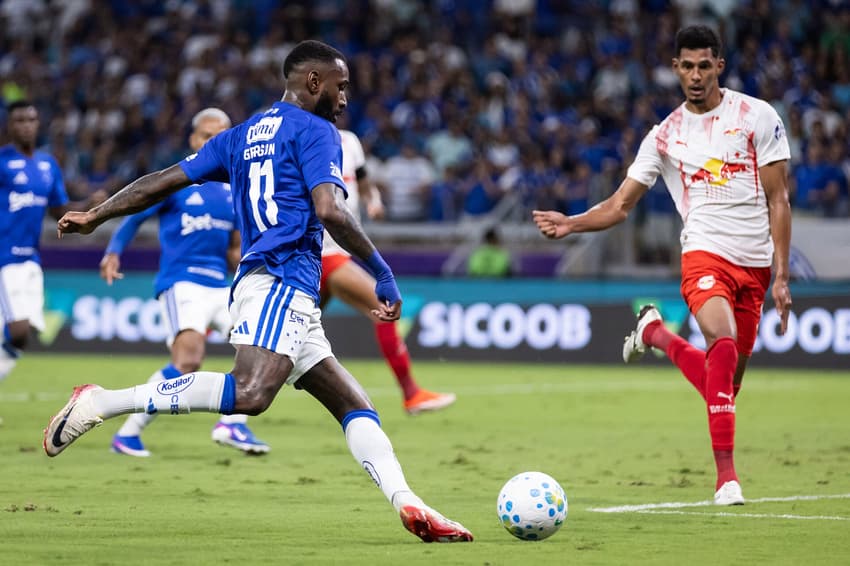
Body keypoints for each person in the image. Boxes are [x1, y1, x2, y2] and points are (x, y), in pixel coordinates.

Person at [44, 40, 473, 543]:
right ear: (314, 81)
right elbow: (330, 210)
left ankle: (409, 503)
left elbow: (163, 180)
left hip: (285, 287)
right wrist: (381, 270)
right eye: (341, 86)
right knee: (250, 394)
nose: (345, 98)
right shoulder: (317, 130)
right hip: (280, 275)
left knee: (352, 402)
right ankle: (103, 402)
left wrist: (97, 214)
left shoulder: (243, 134)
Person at [533, 25, 792, 506]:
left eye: (703, 65)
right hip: (704, 253)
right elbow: (619, 205)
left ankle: (654, 333)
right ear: (675, 68)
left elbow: (779, 199)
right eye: (686, 66)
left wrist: (781, 274)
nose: (695, 76)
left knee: (726, 385)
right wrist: (571, 223)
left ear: (719, 65)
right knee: (722, 340)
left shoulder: (757, 116)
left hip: (755, 265)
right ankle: (726, 479)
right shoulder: (665, 136)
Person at [101, 108, 269, 457]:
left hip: (222, 287)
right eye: (206, 135)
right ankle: (128, 435)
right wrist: (114, 250)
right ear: (193, 139)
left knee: (260, 349)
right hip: (182, 283)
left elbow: (236, 246)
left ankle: (232, 424)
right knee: (189, 360)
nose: (213, 141)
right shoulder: (178, 179)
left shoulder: (234, 185)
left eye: (220, 135)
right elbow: (135, 215)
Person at [321, 128, 456, 414]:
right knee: (382, 307)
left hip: (338, 251)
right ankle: (411, 393)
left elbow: (362, 180)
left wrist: (373, 201)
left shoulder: (350, 141)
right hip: (321, 251)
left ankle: (243, 403)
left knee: (292, 333)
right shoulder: (305, 137)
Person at [0, 101, 105, 399]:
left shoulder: (47, 166)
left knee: (20, 335)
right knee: (17, 332)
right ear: (10, 126)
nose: (26, 125)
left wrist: (87, 206)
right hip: (4, 258)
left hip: (30, 260)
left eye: (31, 119)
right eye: (19, 120)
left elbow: (57, 209)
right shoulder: (2, 162)